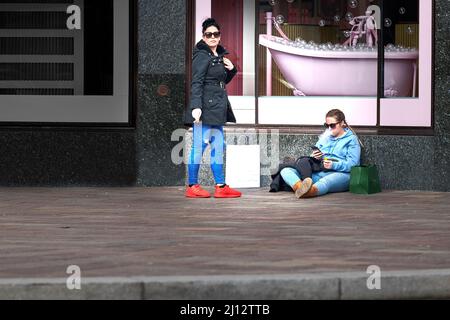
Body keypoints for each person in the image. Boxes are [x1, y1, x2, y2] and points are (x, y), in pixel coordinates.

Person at [184, 18, 242, 199]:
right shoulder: (202, 55)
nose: (212, 37)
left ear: (219, 36)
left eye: (216, 34)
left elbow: (221, 81)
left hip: (217, 107)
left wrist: (232, 70)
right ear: (203, 36)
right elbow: (197, 82)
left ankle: (220, 186)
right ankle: (192, 186)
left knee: (218, 146)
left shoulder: (218, 56)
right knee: (199, 147)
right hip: (204, 108)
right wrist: (196, 107)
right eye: (209, 34)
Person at [270, 109, 361, 198]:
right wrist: (314, 157)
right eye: (327, 125)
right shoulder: (325, 137)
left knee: (326, 182)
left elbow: (353, 164)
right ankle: (301, 188)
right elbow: (313, 158)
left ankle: (309, 192)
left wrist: (333, 165)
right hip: (320, 171)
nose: (329, 128)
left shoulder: (351, 139)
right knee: (286, 171)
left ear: (342, 123)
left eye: (332, 125)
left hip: (340, 174)